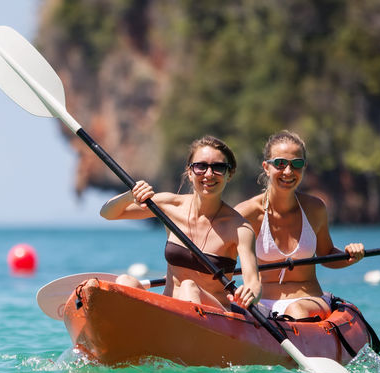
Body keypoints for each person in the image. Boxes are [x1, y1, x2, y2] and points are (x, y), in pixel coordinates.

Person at [100, 135, 261, 311]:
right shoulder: (170, 206)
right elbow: (108, 213)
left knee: (189, 287)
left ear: (229, 174)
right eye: (201, 166)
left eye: (218, 167)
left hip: (214, 316)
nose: (208, 174)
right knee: (125, 281)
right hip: (169, 309)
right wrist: (130, 195)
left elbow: (253, 282)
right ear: (190, 172)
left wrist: (250, 292)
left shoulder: (239, 228)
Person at [235, 130, 365, 320]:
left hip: (308, 301)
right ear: (266, 167)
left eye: (296, 164)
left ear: (303, 168)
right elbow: (220, 258)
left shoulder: (315, 209)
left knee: (296, 310)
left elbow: (327, 254)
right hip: (261, 304)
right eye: (280, 163)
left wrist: (350, 256)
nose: (288, 171)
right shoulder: (247, 213)